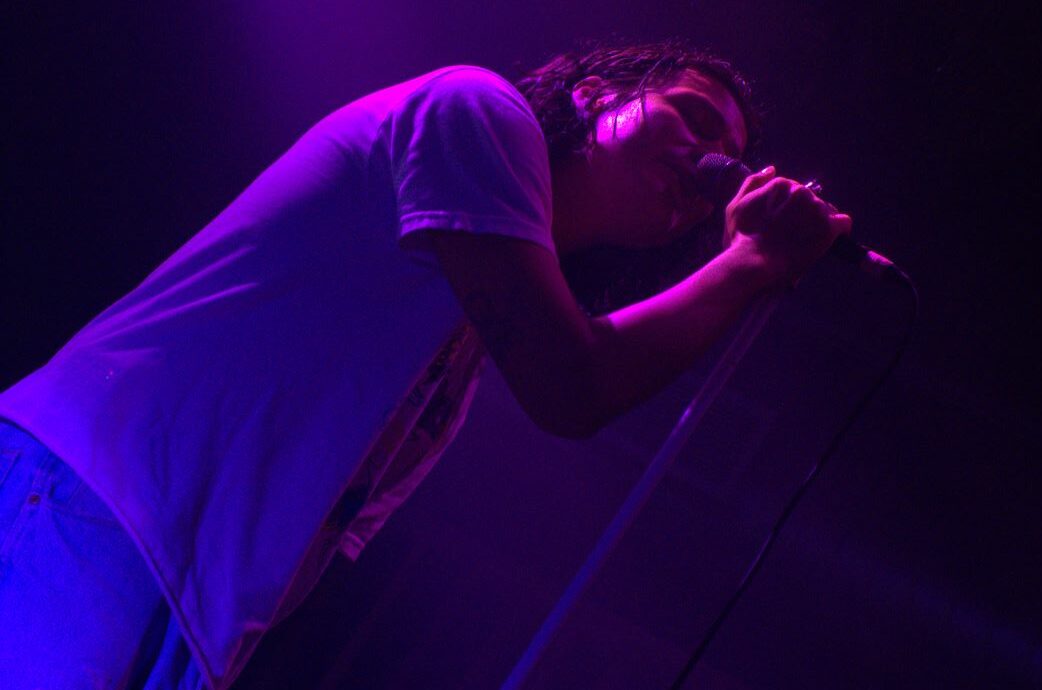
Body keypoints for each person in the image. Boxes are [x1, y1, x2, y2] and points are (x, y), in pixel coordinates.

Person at [0, 41, 850, 689]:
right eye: (694, 119)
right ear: (598, 95)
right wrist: (750, 264)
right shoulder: (477, 112)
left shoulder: (460, 330)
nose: (711, 165)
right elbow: (574, 386)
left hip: (183, 606)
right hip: (94, 502)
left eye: (727, 153)